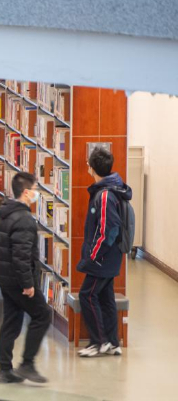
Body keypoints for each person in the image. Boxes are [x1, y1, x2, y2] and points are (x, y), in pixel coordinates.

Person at [0, 172, 50, 384]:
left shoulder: (7, 212)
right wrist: (28, 284)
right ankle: (27, 364)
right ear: (26, 192)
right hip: (18, 281)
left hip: (5, 278)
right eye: (35, 190)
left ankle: (4, 370)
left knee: (11, 322)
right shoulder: (24, 219)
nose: (37, 193)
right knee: (42, 315)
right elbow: (21, 255)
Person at [77, 148, 131, 357]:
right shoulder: (110, 189)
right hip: (110, 257)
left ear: (92, 168)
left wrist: (94, 254)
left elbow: (109, 229)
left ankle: (99, 342)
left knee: (87, 295)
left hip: (103, 257)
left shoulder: (105, 195)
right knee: (106, 297)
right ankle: (113, 342)